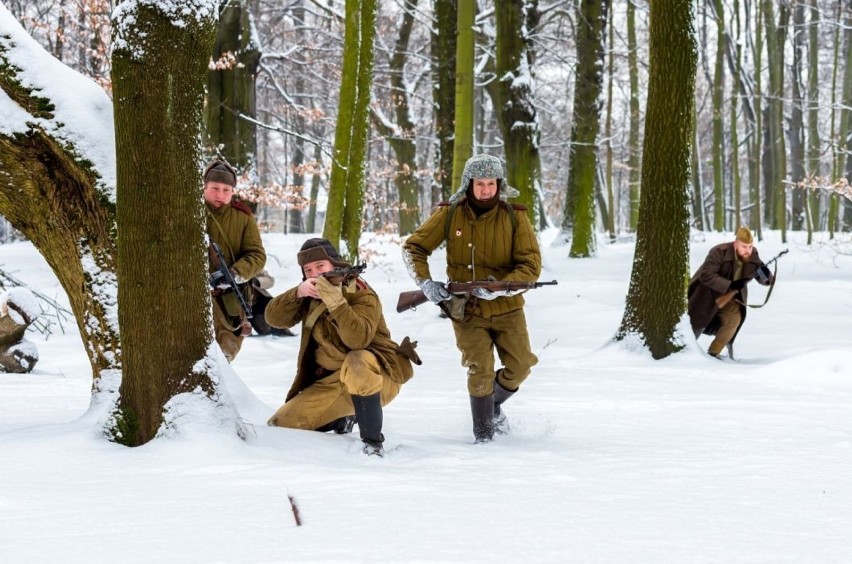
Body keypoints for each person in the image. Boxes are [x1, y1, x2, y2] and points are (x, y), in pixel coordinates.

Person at [403, 153, 541, 443]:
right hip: (465, 308)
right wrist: (426, 283)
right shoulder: (450, 212)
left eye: (491, 183)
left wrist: (502, 286)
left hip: (508, 308)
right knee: (480, 369)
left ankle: (491, 406)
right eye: (480, 183)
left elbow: (530, 266)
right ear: (469, 184)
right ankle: (484, 438)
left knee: (521, 366)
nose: (486, 190)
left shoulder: (515, 216)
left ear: (499, 184)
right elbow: (414, 247)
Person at [265, 238, 418, 456]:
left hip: (378, 377)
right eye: (308, 270)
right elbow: (273, 318)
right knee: (280, 426)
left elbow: (358, 340)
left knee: (358, 360)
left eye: (320, 266)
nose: (315, 274)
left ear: (334, 265)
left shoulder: (362, 293)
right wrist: (297, 293)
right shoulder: (311, 294)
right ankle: (343, 416)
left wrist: (336, 302)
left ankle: (373, 443)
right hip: (333, 382)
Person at [203, 159, 267, 362]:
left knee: (223, 358)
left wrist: (235, 273)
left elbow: (257, 255)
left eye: (226, 190)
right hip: (191, 296)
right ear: (204, 187)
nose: (220, 195)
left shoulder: (243, 217)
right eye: (214, 188)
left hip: (229, 299)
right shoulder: (187, 212)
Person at [688, 226, 774, 359]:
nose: (747, 251)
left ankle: (713, 354)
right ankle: (683, 353)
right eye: (744, 247)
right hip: (705, 296)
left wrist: (767, 275)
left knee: (734, 320)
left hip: (730, 298)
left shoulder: (752, 255)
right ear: (735, 243)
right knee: (693, 327)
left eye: (750, 247)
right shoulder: (718, 252)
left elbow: (764, 280)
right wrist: (730, 285)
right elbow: (706, 275)